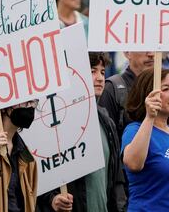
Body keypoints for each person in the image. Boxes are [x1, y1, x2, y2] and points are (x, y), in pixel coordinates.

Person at [38, 52, 126, 212]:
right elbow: (42, 176)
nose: (99, 78)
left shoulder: (106, 121)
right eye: (93, 71)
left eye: (102, 72)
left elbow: (116, 179)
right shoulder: (60, 122)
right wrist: (53, 199)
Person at [122, 68, 169, 211]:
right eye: (165, 89)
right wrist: (150, 117)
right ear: (148, 94)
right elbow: (133, 164)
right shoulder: (134, 130)